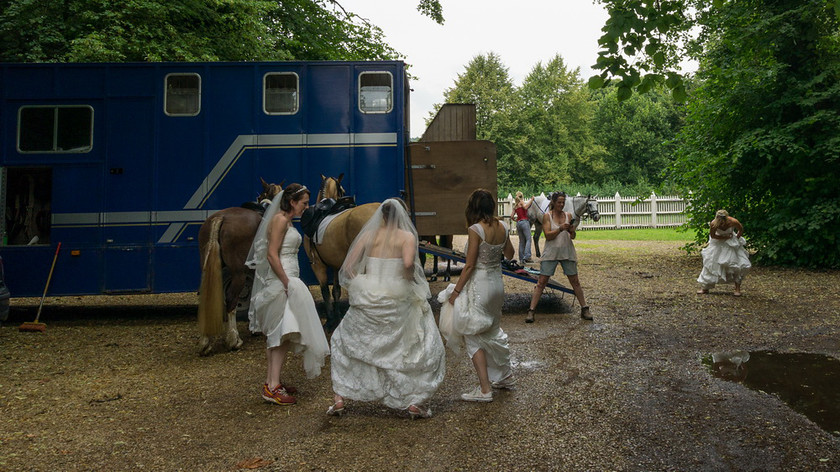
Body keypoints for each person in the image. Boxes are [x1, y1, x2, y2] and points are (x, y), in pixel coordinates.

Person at [327, 199, 445, 418]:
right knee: (412, 346)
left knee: (344, 341)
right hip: (396, 294)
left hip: (368, 292)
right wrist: (408, 282)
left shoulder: (367, 235)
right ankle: (413, 401)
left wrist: (361, 283)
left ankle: (340, 397)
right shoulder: (407, 237)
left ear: (381, 215)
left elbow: (349, 264)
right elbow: (409, 264)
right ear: (402, 215)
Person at [245, 183, 329, 406]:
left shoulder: (287, 221)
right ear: (292, 202)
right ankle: (271, 386)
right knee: (280, 333)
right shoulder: (281, 220)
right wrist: (285, 282)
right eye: (303, 203)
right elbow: (272, 255)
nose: (306, 207)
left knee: (281, 332)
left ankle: (273, 381)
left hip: (288, 279)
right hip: (282, 280)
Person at [444, 189, 515, 403]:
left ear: (473, 208)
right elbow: (510, 254)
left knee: (472, 334)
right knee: (492, 330)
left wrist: (455, 292)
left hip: (480, 285)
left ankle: (485, 389)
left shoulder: (475, 229)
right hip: (497, 283)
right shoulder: (502, 226)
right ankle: (505, 377)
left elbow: (470, 265)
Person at [526, 191, 591, 323]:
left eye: (563, 202)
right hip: (551, 253)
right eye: (559, 202)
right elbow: (548, 235)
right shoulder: (547, 216)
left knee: (575, 282)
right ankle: (531, 311)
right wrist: (560, 229)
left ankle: (585, 308)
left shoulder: (568, 215)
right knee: (541, 282)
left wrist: (571, 231)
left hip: (567, 252)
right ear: (553, 203)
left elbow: (572, 237)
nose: (561, 205)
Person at [697, 210, 751, 296]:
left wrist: (736, 239)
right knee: (711, 263)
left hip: (730, 242)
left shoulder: (733, 221)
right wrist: (724, 237)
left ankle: (737, 289)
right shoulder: (713, 224)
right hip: (718, 242)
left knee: (736, 264)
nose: (722, 224)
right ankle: (705, 287)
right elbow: (713, 236)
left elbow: (740, 229)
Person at [510, 191, 535, 263]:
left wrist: (516, 220)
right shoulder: (521, 202)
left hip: (518, 223)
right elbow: (526, 207)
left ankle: (521, 259)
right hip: (524, 222)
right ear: (522, 196)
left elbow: (511, 216)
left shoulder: (515, 206)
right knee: (528, 239)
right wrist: (531, 200)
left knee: (521, 241)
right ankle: (527, 256)